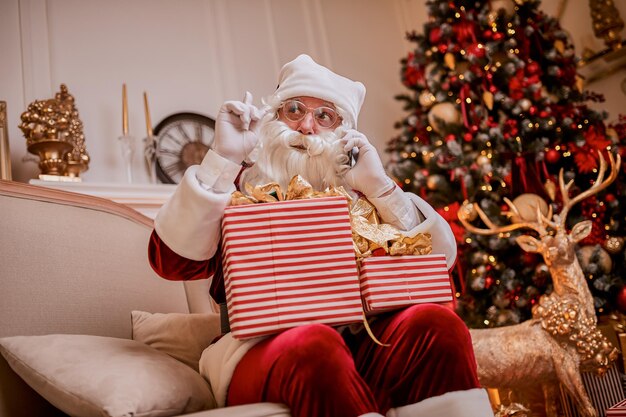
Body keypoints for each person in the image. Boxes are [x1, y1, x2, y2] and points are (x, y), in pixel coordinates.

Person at [148, 54, 492, 417]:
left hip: (363, 344)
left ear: (344, 133)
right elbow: (171, 263)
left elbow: (440, 271)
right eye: (293, 110)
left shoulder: (364, 193)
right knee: (317, 344)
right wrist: (223, 157)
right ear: (273, 118)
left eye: (325, 116)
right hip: (257, 349)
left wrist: (381, 189)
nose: (307, 126)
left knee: (439, 326)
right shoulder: (237, 185)